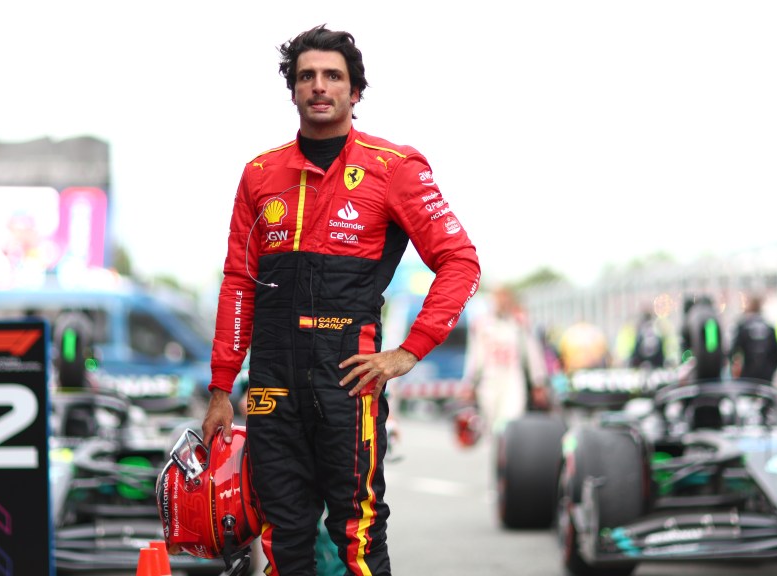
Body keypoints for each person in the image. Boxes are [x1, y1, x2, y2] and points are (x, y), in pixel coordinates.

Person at [199, 24, 480, 575]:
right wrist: (219, 387)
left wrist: (408, 352)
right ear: (293, 89)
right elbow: (238, 282)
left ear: (355, 92)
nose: (319, 86)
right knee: (281, 539)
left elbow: (460, 262)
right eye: (307, 76)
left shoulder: (395, 168)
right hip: (271, 385)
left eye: (333, 76)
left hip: (348, 382)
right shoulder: (259, 175)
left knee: (358, 539)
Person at [462, 286, 548, 436]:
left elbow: (532, 354)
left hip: (513, 379)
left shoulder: (519, 324)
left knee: (512, 421)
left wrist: (538, 382)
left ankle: (509, 455)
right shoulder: (482, 324)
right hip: (489, 381)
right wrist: (469, 383)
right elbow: (475, 356)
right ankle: (497, 455)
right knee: (491, 424)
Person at [728, 294, 777, 384]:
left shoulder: (743, 326)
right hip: (766, 377)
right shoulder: (769, 327)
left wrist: (735, 369)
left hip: (747, 376)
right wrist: (770, 370)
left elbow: (733, 351)